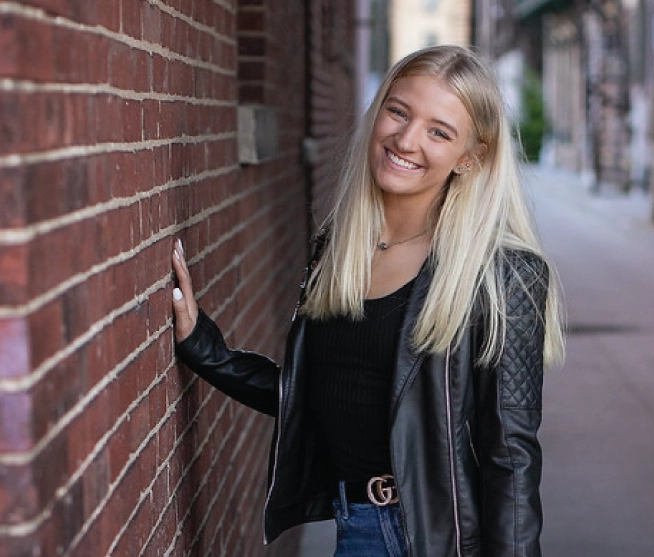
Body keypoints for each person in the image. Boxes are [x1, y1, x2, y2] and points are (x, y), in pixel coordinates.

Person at [170, 44, 564, 557]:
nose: (406, 139)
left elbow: (511, 457)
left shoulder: (503, 275)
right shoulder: (342, 245)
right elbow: (321, 393)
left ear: (471, 157)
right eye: (398, 111)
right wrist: (205, 348)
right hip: (356, 525)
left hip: (428, 540)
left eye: (438, 131)